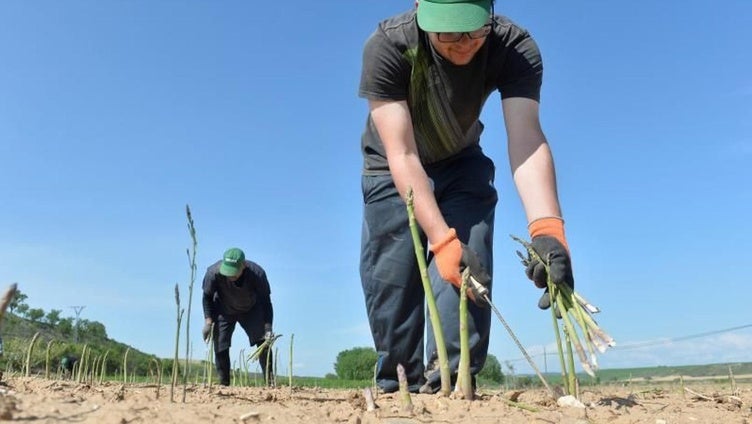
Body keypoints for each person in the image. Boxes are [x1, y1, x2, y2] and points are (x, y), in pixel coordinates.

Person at [358, 0, 576, 394]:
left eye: (475, 31)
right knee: (392, 289)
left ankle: (453, 382)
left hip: (461, 161)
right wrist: (441, 239)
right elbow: (402, 153)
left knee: (468, 267)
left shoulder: (514, 48)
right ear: (421, 11)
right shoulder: (389, 45)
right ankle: (396, 385)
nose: (464, 45)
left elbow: (526, 139)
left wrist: (548, 228)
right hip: (392, 171)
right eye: (449, 34)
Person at [202, 247, 275, 386]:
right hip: (223, 309)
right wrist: (208, 321)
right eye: (227, 272)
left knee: (263, 342)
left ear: (244, 265)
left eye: (234, 272)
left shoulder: (257, 274)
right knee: (220, 344)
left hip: (251, 309)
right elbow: (207, 297)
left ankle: (270, 383)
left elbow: (266, 302)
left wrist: (268, 328)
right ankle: (224, 384)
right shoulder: (213, 273)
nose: (230, 276)